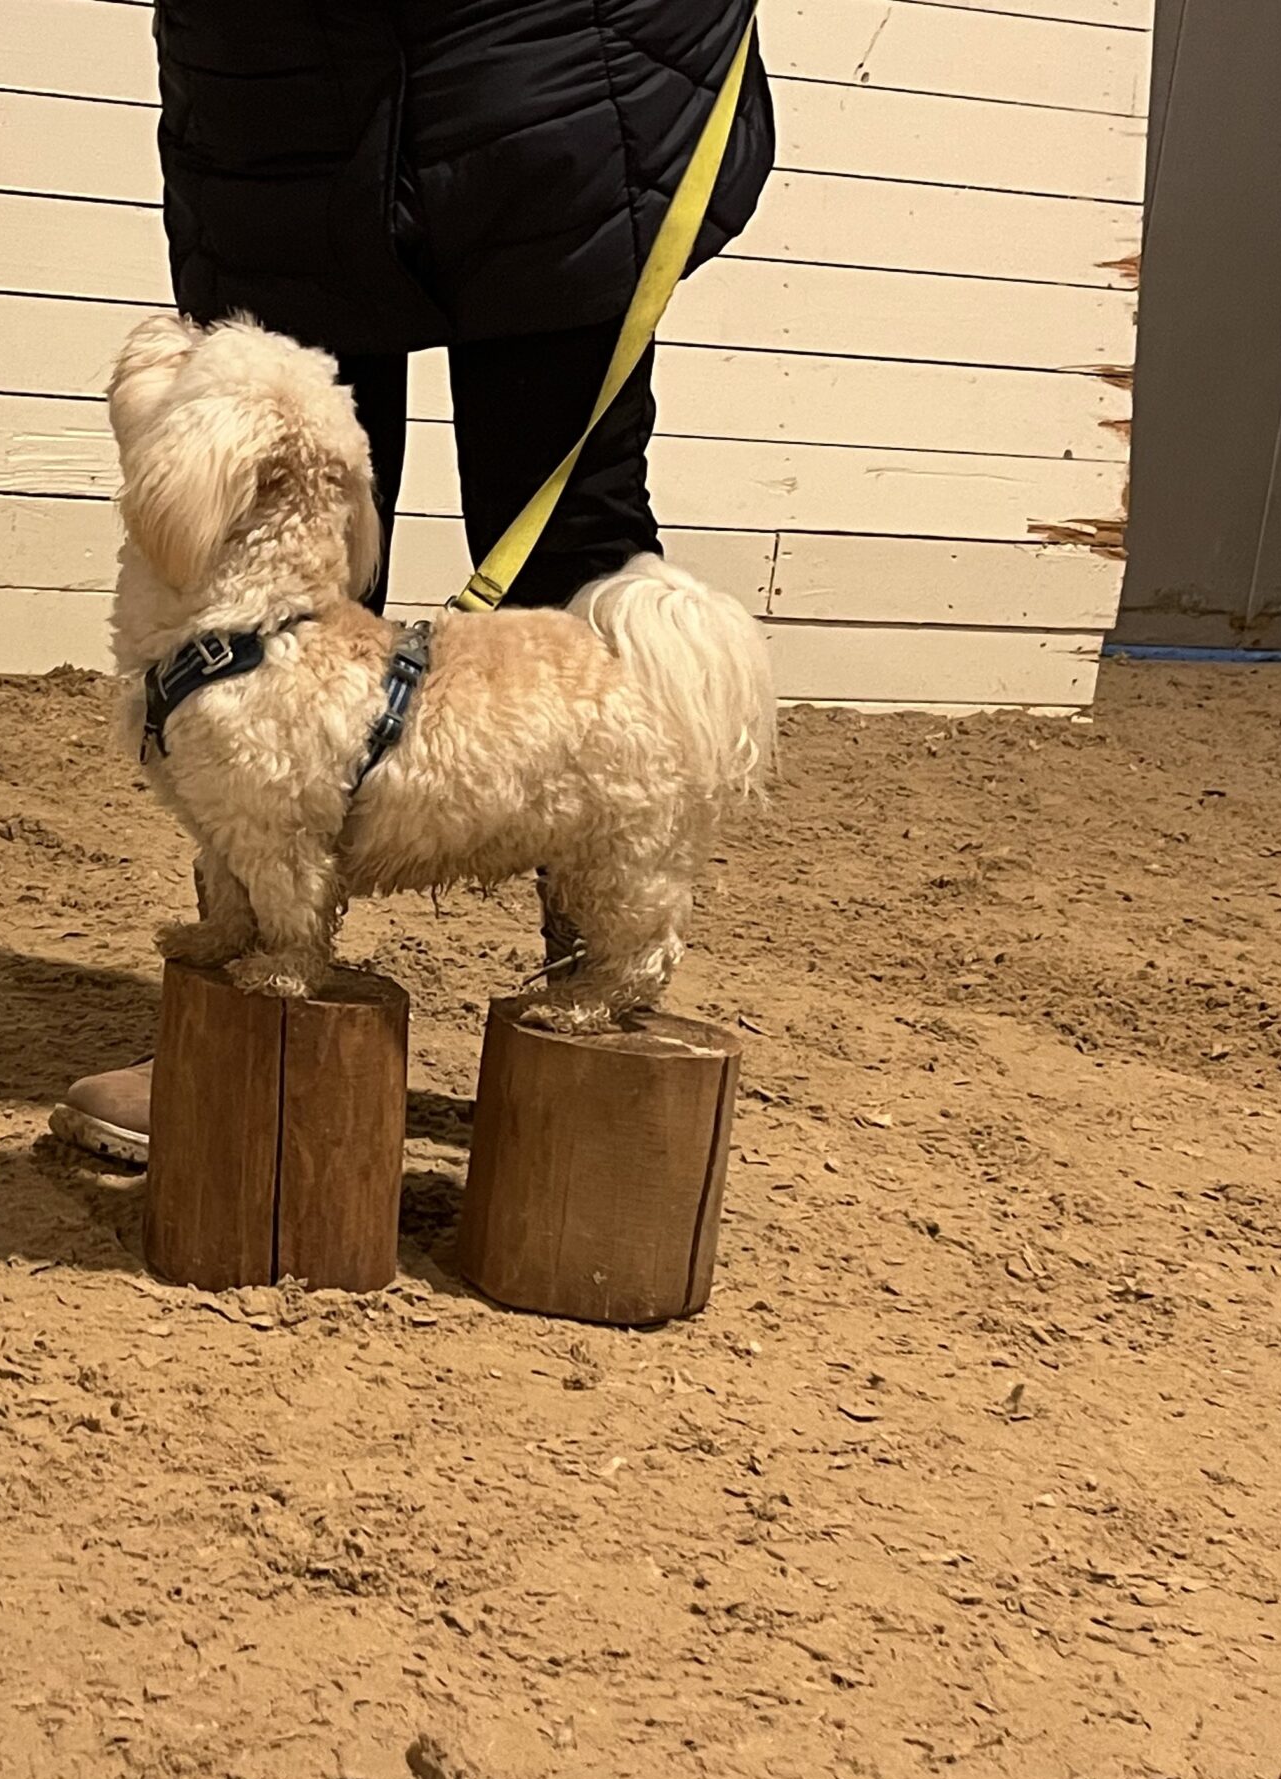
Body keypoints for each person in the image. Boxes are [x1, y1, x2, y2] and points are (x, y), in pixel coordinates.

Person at [51, 0, 776, 1168]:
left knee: (574, 539)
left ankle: (598, 1022)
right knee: (266, 578)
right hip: (277, 87)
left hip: (564, 60)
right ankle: (255, 1002)